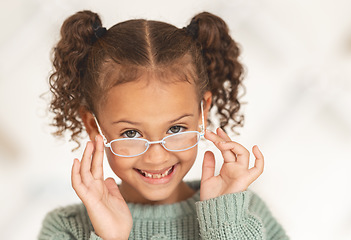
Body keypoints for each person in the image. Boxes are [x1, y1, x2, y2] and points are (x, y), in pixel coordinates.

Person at [38, 10, 288, 240]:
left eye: (175, 129)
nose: (156, 157)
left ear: (203, 112)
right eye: (131, 133)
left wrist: (225, 224)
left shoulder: (243, 210)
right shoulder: (66, 228)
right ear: (94, 125)